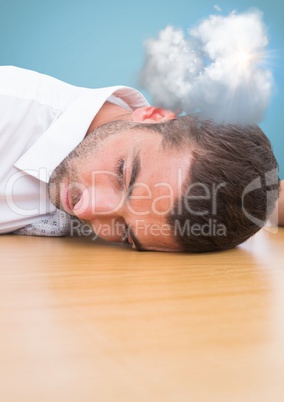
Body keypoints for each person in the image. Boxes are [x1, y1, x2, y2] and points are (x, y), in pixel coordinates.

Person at [0, 65, 282, 252]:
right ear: (152, 115)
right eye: (123, 174)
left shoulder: (164, 192)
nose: (87, 210)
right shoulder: (9, 109)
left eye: (125, 231)